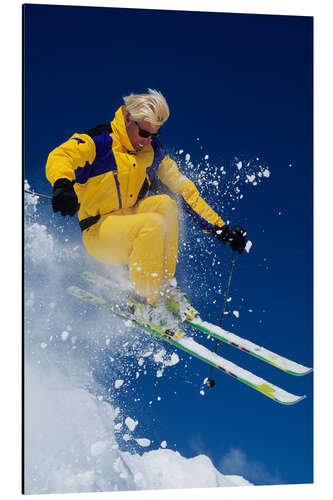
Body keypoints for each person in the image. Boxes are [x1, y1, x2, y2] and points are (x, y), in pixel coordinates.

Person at [46, 89, 246, 336]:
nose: (147, 140)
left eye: (155, 135)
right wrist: (63, 185)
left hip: (131, 225)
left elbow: (184, 189)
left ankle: (163, 287)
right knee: (151, 224)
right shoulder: (100, 142)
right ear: (129, 119)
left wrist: (219, 228)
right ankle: (142, 301)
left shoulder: (152, 154)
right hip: (99, 232)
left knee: (166, 204)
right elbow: (61, 156)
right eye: (144, 133)